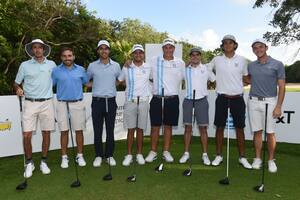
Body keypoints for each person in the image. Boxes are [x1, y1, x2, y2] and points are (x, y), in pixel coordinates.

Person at [208, 35, 252, 169]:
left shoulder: (242, 60)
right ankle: (219, 155)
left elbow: (246, 77)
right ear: (222, 46)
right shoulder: (217, 59)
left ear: (235, 45)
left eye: (230, 43)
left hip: (237, 98)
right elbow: (205, 68)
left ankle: (242, 157)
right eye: (225, 43)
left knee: (240, 128)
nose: (227, 45)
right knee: (219, 127)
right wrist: (214, 79)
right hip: (222, 98)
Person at [14, 39, 56, 178]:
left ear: (44, 49)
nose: (37, 50)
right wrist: (18, 88)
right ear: (32, 50)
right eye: (35, 48)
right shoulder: (24, 65)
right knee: (27, 135)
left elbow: (59, 78)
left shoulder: (52, 64)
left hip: (47, 103)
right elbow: (16, 83)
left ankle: (44, 161)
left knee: (46, 133)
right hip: (30, 103)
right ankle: (30, 162)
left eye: (40, 47)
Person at [247, 39, 285, 173]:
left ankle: (271, 160)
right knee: (257, 131)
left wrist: (279, 106)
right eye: (255, 48)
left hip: (270, 101)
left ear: (266, 47)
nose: (258, 49)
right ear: (253, 50)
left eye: (260, 47)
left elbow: (281, 86)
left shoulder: (277, 64)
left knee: (270, 132)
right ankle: (257, 158)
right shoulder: (251, 65)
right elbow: (248, 79)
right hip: (253, 101)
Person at [145, 38, 185, 163]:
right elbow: (148, 76)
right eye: (166, 47)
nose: (168, 49)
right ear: (163, 48)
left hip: (172, 98)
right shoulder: (153, 61)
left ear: (174, 49)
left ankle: (166, 151)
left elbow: (186, 75)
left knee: (168, 126)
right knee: (155, 126)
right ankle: (153, 151)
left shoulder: (180, 63)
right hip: (157, 98)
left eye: (170, 47)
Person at [52, 47, 88, 168]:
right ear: (61, 57)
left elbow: (87, 83)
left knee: (79, 131)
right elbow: (50, 85)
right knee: (64, 131)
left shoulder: (81, 69)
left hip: (77, 103)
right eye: (65, 56)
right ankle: (64, 157)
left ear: (73, 56)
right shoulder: (56, 71)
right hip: (62, 103)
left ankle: (80, 155)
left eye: (69, 56)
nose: (67, 58)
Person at [87, 40, 121, 167]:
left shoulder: (116, 65)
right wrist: (94, 85)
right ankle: (99, 156)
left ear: (109, 51)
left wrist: (111, 85)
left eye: (106, 48)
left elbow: (120, 80)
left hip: (111, 101)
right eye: (101, 48)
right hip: (97, 102)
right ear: (98, 51)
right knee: (98, 130)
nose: (104, 50)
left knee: (110, 130)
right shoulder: (92, 66)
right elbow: (86, 80)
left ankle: (109, 155)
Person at [179, 47, 215, 165]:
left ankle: (205, 154)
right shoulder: (185, 70)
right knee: (188, 128)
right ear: (190, 57)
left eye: (197, 55)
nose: (195, 57)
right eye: (192, 55)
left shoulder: (206, 69)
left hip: (202, 100)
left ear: (200, 56)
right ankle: (186, 153)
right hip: (189, 100)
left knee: (203, 129)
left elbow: (213, 80)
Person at [118, 44, 151, 166]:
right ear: (132, 55)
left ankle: (139, 154)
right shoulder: (126, 67)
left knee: (141, 129)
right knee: (131, 130)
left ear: (143, 54)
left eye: (140, 52)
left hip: (143, 101)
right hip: (130, 101)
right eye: (135, 53)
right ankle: (129, 155)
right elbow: (120, 81)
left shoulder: (148, 67)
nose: (138, 55)